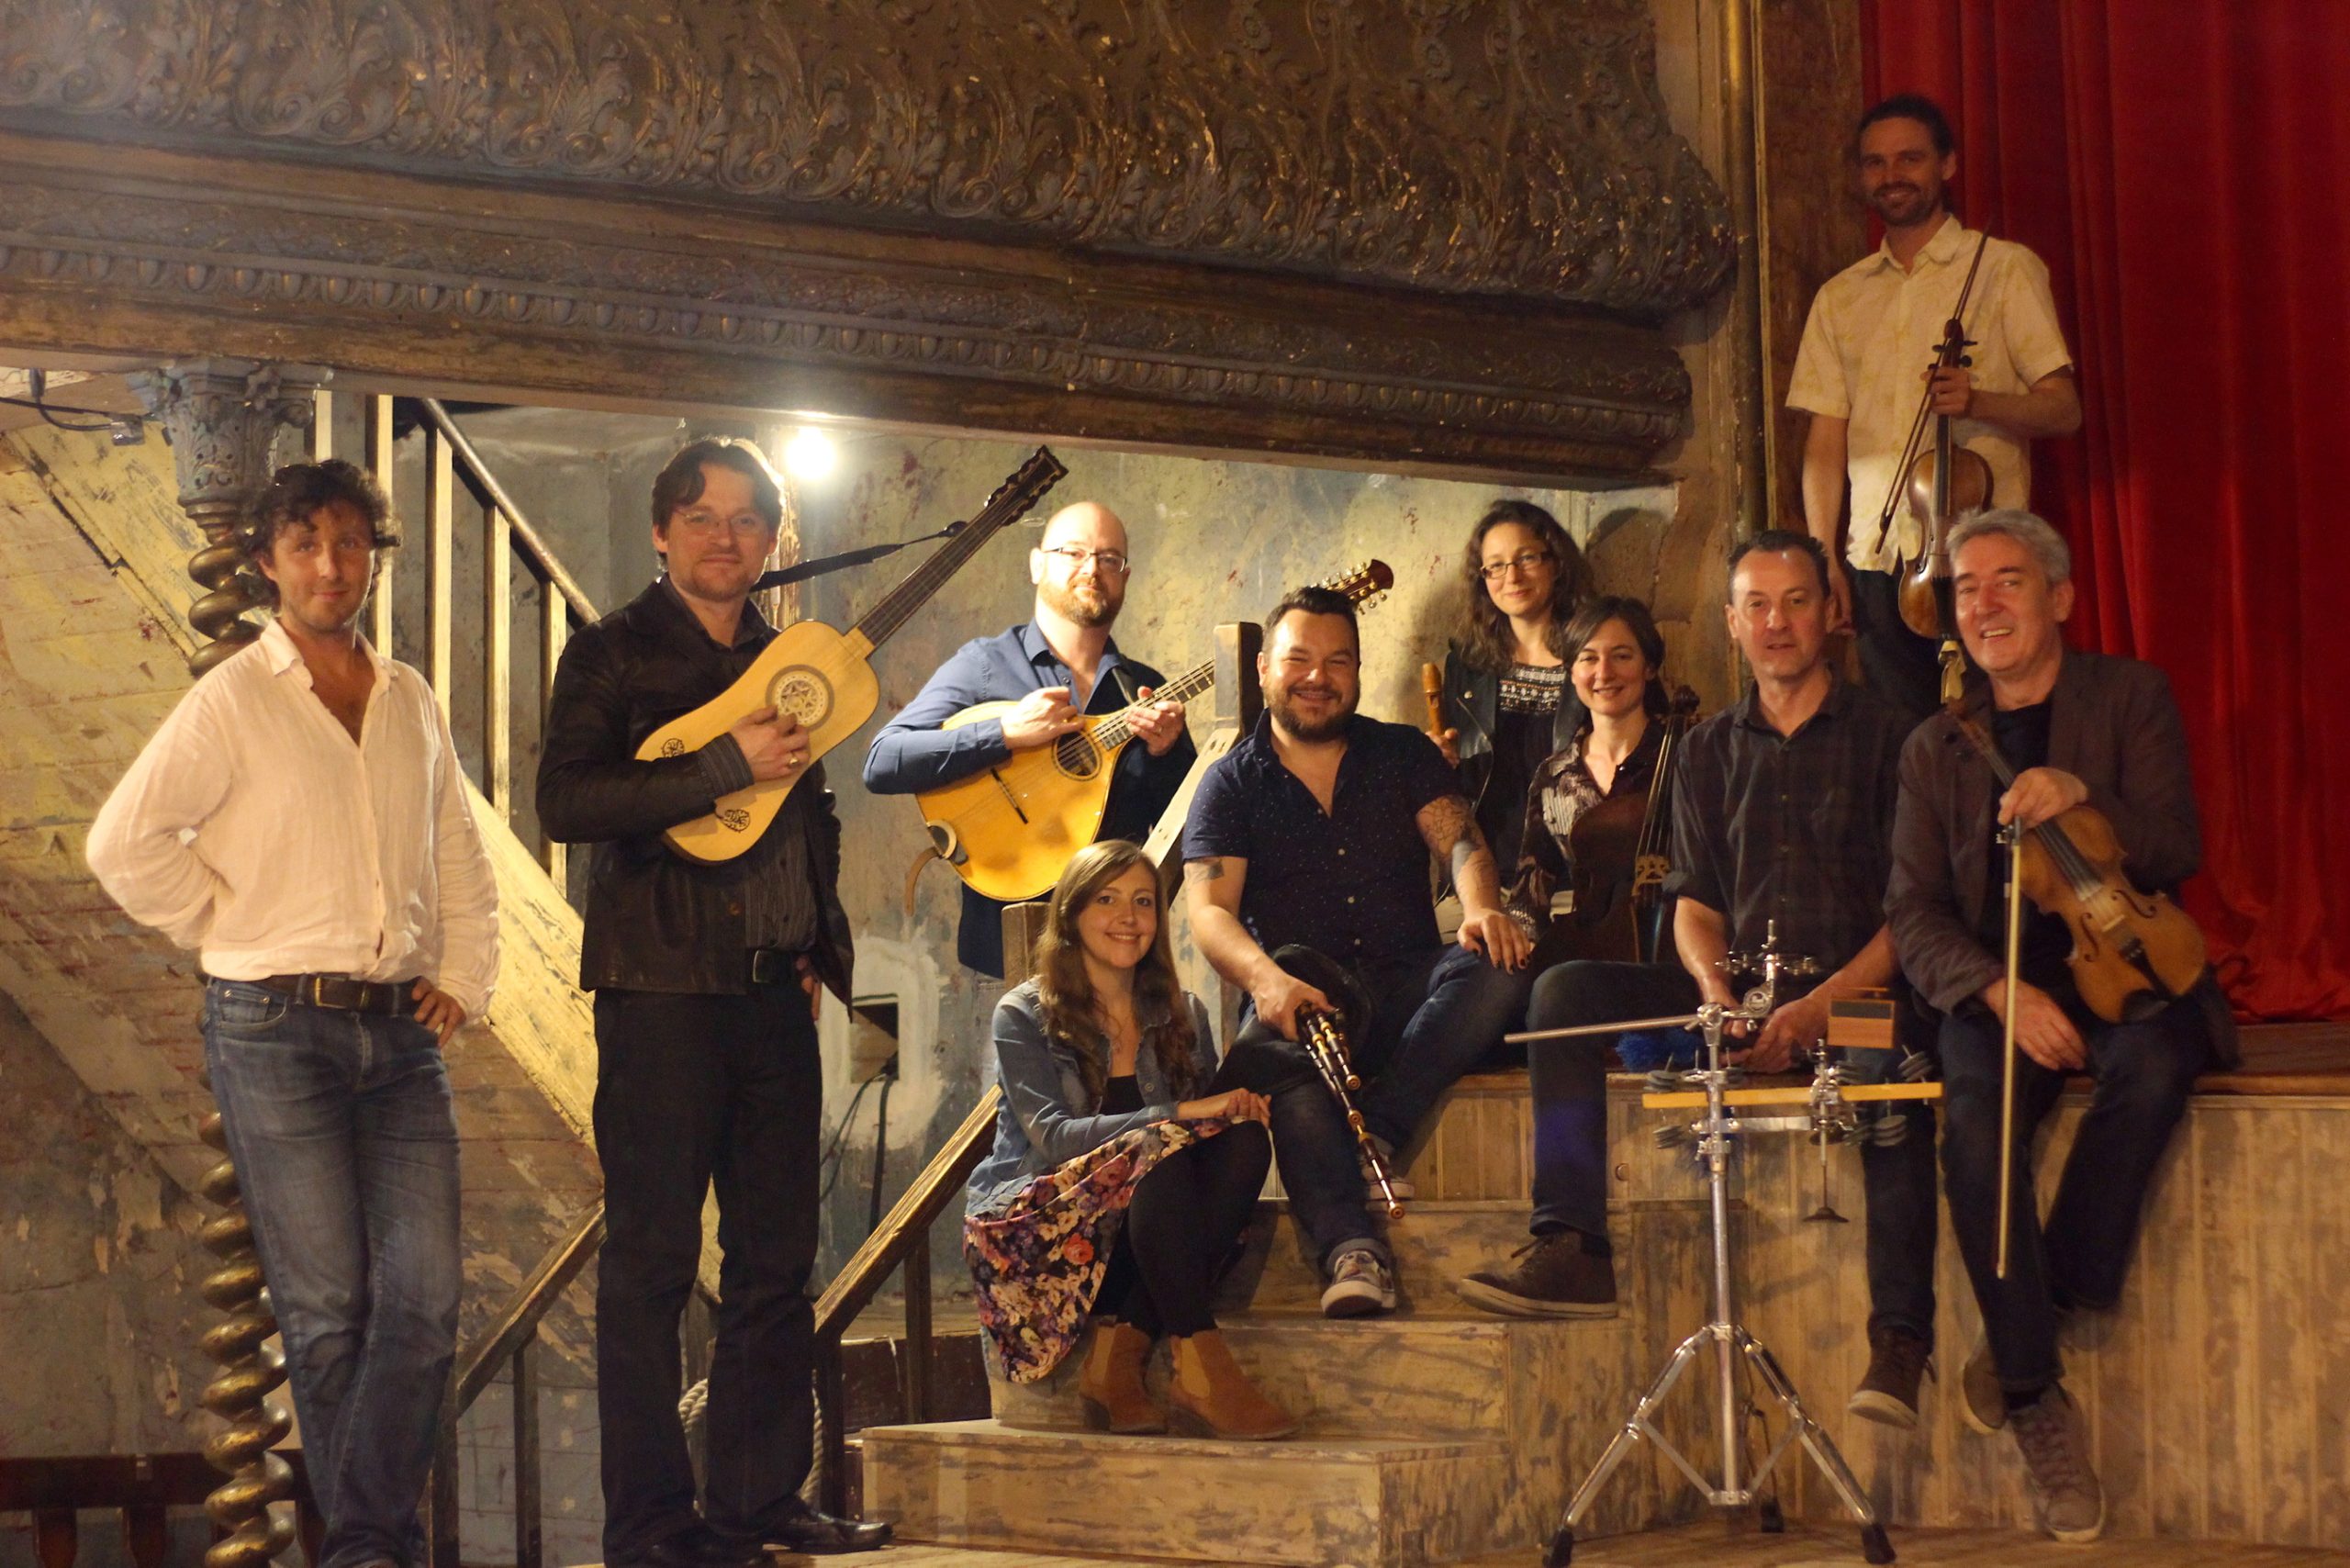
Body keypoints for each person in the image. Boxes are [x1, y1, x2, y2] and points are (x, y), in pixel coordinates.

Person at [86, 460, 498, 1568]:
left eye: (352, 542)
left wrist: (465, 973)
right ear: (267, 562)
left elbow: (455, 853)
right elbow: (121, 846)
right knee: (327, 1310)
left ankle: (362, 1545)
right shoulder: (231, 698)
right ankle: (378, 1553)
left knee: (424, 1300)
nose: (331, 564)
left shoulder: (408, 696)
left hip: (402, 1034)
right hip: (272, 1030)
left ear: (375, 554)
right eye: (307, 543)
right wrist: (229, 924)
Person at [1457, 534, 1937, 1428]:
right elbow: (1692, 904)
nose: (1776, 622)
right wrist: (1715, 994)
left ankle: (1901, 1336)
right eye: (1756, 604)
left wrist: (1810, 1009)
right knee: (1562, 997)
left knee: (1892, 1081)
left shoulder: (1890, 738)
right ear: (1731, 622)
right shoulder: (1708, 748)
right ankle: (1570, 1241)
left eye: (1796, 602)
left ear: (1831, 613)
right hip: (1738, 1001)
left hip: (1855, 1002)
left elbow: (1911, 914)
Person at [537, 437, 885, 1563]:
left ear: (772, 537)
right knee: (647, 1266)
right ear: (661, 530)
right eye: (701, 516)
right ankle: (649, 1524)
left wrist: (818, 949)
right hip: (657, 995)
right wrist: (720, 766)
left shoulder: (795, 658)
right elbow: (568, 800)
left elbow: (813, 815)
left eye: (746, 519)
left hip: (770, 999)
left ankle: (753, 1500)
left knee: (777, 1260)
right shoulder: (610, 651)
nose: (724, 536)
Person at [1886, 510, 2234, 1543]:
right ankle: (2035, 1395)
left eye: (2007, 583)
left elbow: (2175, 844)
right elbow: (1912, 910)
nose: (1984, 605)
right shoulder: (1933, 744)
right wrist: (2000, 994)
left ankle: (2056, 1295)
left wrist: (2088, 794)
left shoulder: (2128, 696)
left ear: (2059, 598)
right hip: (2000, 979)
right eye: (1966, 589)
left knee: (2159, 1060)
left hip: (2117, 948)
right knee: (1973, 1127)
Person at [1183, 585, 1534, 1315]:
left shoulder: (1401, 752)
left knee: (1495, 964)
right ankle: (1352, 1253)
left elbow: (1461, 839)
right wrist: (1267, 983)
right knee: (1292, 1079)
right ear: (1264, 673)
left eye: (1338, 660)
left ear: (1359, 670)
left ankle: (1380, 1130)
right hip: (1302, 1004)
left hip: (1407, 989)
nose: (1319, 677)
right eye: (1299, 659)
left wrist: (1481, 909)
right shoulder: (1229, 784)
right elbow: (1210, 912)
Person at [964, 839, 1293, 1440]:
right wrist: (1181, 1111)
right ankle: (1200, 1364)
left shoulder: (1181, 1010)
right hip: (1042, 1224)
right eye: (1107, 900)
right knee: (1159, 1146)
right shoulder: (1024, 1014)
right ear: (1070, 914)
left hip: (1143, 1220)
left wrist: (1223, 1111)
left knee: (1241, 1141)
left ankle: (1121, 1353)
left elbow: (1199, 1141)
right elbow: (1057, 1139)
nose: (1129, 916)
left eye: (1144, 901)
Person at [1790, 92, 2080, 722]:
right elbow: (1825, 439)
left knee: (1996, 731)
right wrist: (1823, 557)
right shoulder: (1840, 297)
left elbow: (2064, 410)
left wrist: (1980, 400)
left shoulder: (2003, 269)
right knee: (1906, 749)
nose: (1891, 175)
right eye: (1875, 163)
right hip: (1876, 560)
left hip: (1984, 555)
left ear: (1947, 165)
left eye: (1910, 158)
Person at [864, 499, 1193, 976]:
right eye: (1073, 552)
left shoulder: (1142, 689)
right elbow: (883, 759)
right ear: (1038, 564)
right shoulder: (985, 665)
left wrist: (1166, 753)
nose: (1092, 569)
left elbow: (1192, 827)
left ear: (1125, 575)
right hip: (1009, 962)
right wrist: (1004, 733)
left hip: (1120, 961)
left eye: (1109, 559)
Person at [1499, 597, 1672, 973]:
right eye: (1589, 658)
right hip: (1586, 948)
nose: (1604, 672)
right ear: (1571, 670)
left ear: (1649, 667)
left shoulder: (1682, 757)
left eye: (1622, 656)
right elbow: (1530, 895)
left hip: (1674, 948)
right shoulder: (1554, 776)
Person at [1429, 499, 1595, 874]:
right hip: (1490, 872)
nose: (1513, 577)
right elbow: (1465, 782)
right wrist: (1440, 760)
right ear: (1482, 578)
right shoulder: (1467, 664)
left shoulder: (1596, 653)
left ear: (1556, 564)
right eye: (1497, 566)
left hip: (1579, 874)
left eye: (1527, 559)